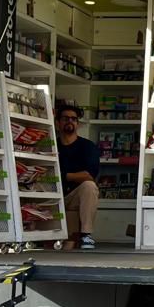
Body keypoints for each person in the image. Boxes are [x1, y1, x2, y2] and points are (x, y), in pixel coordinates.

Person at [56, 104, 99, 250]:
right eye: (65, 118)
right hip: (52, 193)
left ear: (78, 124)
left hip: (74, 196)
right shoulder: (51, 145)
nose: (70, 121)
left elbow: (89, 176)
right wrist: (74, 176)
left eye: (73, 119)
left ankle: (86, 235)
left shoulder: (88, 147)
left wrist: (63, 175)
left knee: (89, 186)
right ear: (57, 122)